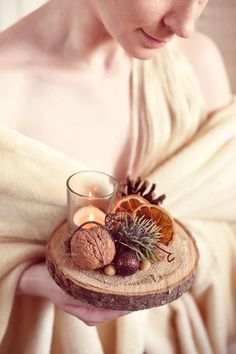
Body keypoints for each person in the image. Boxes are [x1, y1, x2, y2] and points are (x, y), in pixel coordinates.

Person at [0, 1, 235, 353]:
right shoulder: (7, 89)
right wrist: (37, 281)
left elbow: (227, 220)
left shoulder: (198, 68)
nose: (185, 25)